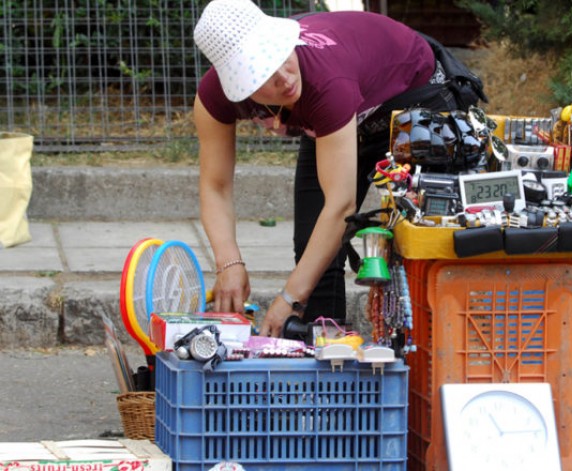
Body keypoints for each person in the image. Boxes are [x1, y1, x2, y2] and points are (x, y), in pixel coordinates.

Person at [192, 0, 486, 337]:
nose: (284, 79)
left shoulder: (323, 79)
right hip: (341, 113)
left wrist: (289, 299)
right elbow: (215, 186)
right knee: (311, 247)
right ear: (238, 86)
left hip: (415, 97)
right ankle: (326, 360)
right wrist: (229, 263)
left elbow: (340, 205)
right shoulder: (214, 98)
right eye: (263, 77)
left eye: (281, 57)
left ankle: (428, 355)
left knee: (421, 237)